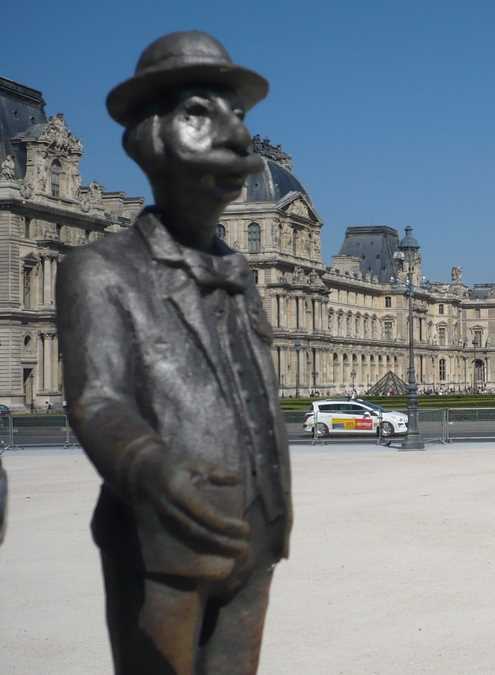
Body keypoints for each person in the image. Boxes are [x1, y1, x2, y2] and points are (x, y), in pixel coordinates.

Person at [57, 32, 290, 673]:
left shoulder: (238, 271)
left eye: (237, 116)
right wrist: (151, 469)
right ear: (152, 136)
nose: (235, 135)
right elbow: (96, 399)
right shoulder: (98, 269)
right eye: (200, 113)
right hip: (160, 531)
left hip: (259, 528)